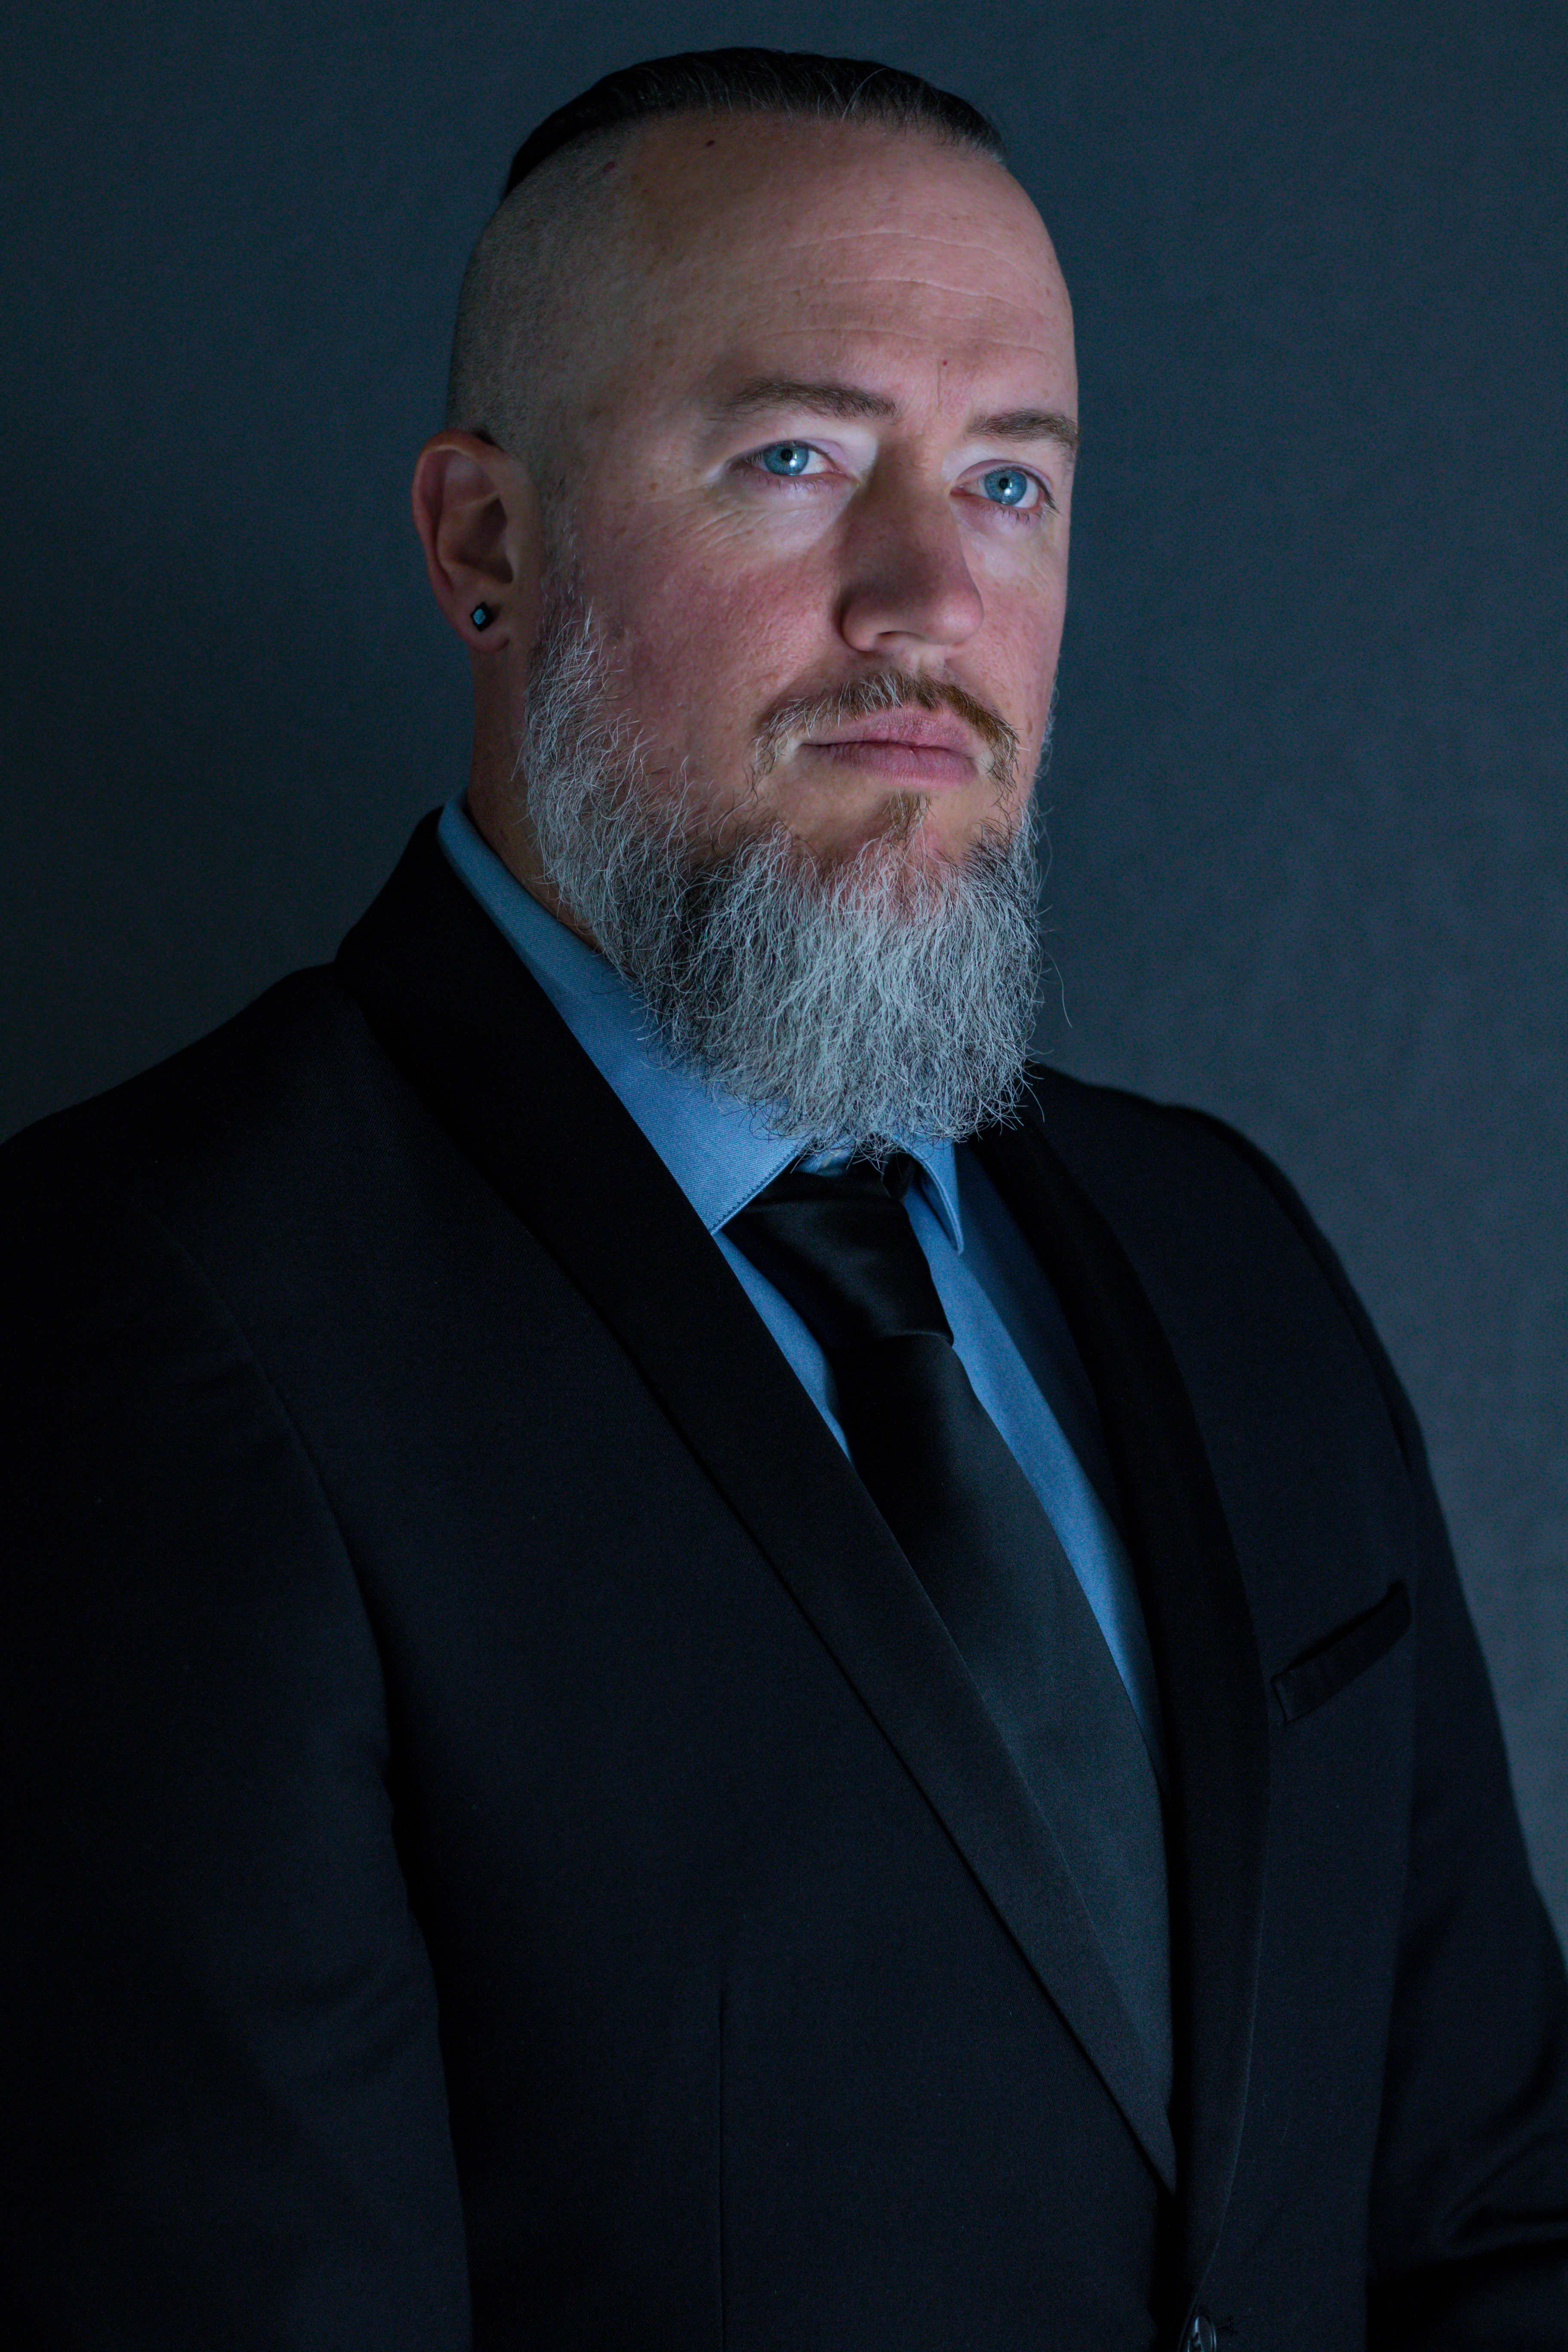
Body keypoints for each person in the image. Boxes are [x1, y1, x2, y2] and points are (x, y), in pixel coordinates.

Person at [3, 45, 1565, 2351]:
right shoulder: (142, 1312)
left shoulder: (1224, 1249)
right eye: (798, 459)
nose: (931, 599)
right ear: (484, 544)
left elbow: (1496, 2206)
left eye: (1012, 481)